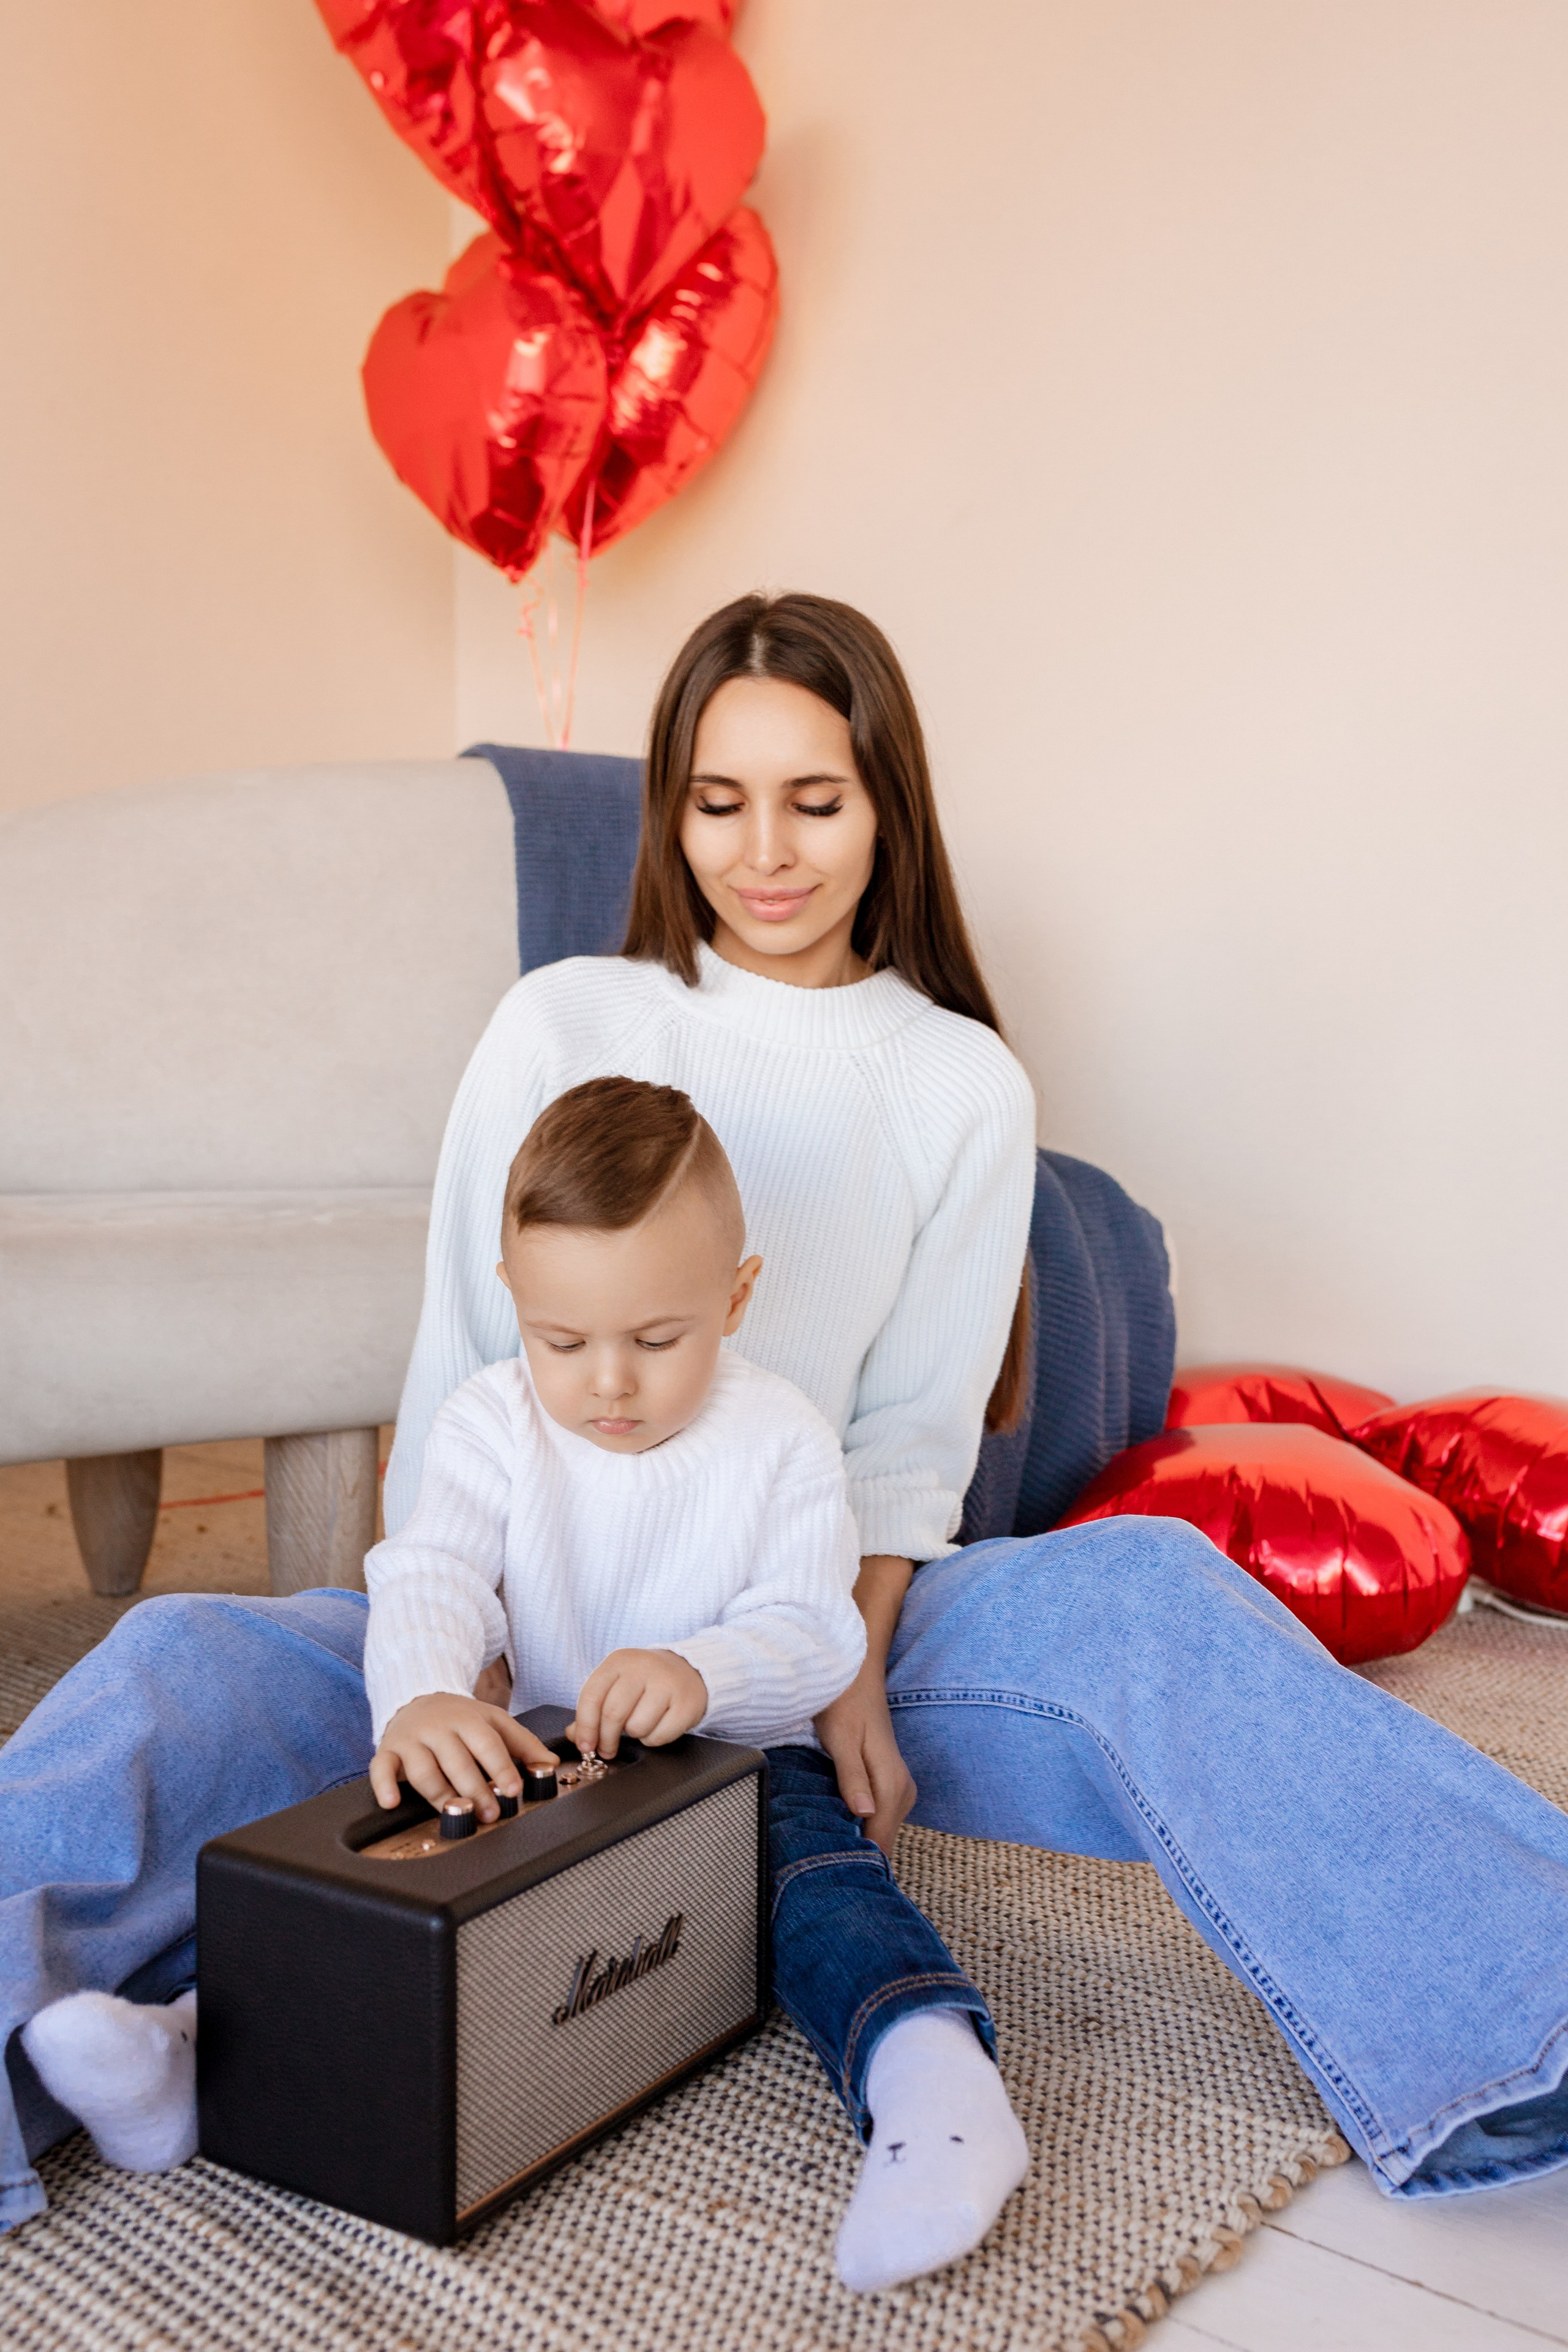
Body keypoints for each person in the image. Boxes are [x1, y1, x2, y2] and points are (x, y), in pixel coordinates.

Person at [4, 592, 1568, 2242]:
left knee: (1150, 1596)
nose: (768, 852)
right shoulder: (562, 1023)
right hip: (507, 1603)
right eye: (719, 800)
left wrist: (854, 1662)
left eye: (816, 800)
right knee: (182, 1664)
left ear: (888, 805)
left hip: (798, 1602)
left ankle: (1516, 2025)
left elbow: (907, 1442)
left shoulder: (959, 1081)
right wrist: (444, 1685)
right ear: (672, 810)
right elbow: (462, 1368)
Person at [363, 1075, 1028, 2291]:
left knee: (815, 1879)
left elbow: (812, 1631)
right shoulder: (485, 1422)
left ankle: (932, 2085)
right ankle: (212, 2030)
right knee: (395, 1865)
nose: (606, 1382)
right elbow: (430, 1573)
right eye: (562, 1341)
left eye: (656, 1340)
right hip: (543, 1762)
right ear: (512, 1299)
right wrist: (422, 1696)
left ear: (735, 1297)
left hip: (735, 1758)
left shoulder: (780, 1436)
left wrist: (698, 1669)